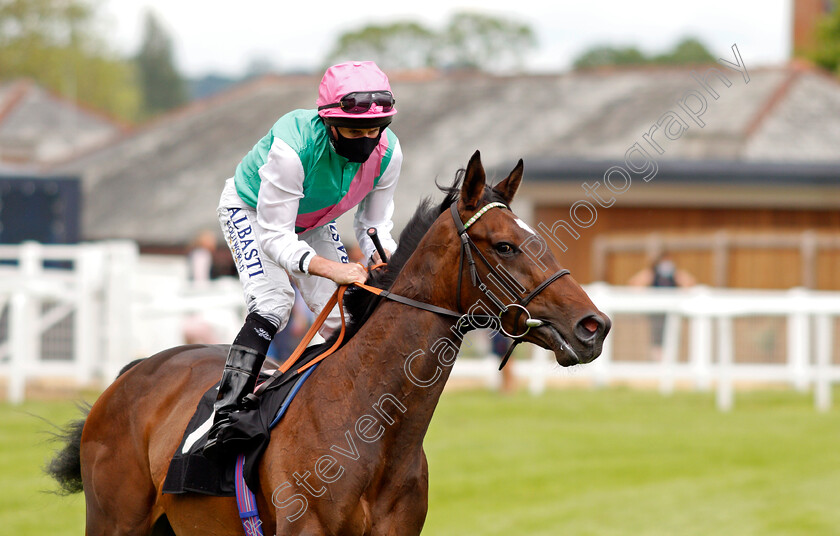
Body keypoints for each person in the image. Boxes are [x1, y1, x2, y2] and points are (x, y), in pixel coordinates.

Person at [205, 61, 402, 455]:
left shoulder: (390, 152)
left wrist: (395, 268)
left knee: (340, 313)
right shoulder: (293, 150)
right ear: (328, 122)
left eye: (373, 129)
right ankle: (224, 415)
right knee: (275, 303)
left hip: (311, 219)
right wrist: (331, 267)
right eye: (352, 130)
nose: (365, 139)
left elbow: (375, 226)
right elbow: (276, 237)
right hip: (252, 211)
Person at [628, 251, 696, 360]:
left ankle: (671, 359)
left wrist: (678, 276)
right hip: (657, 313)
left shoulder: (675, 275)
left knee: (673, 337)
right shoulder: (652, 274)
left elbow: (690, 284)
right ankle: (658, 361)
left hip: (673, 312)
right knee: (657, 339)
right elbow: (634, 283)